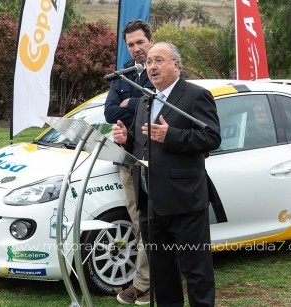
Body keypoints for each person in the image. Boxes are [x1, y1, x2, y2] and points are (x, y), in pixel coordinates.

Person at [112, 42, 221, 306]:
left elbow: (212, 137)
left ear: (177, 65)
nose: (152, 67)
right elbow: (143, 145)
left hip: (184, 201)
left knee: (196, 270)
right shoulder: (145, 101)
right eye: (149, 62)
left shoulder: (196, 95)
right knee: (162, 273)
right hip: (150, 203)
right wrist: (126, 140)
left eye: (158, 60)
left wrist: (171, 135)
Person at [104, 19, 154, 305]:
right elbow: (110, 113)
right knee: (138, 222)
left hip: (157, 160)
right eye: (131, 44)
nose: (136, 49)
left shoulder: (161, 70)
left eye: (140, 42)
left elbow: (160, 103)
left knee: (152, 223)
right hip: (128, 158)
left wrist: (130, 104)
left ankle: (146, 283)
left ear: (150, 39)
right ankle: (145, 280)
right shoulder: (123, 76)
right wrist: (133, 105)